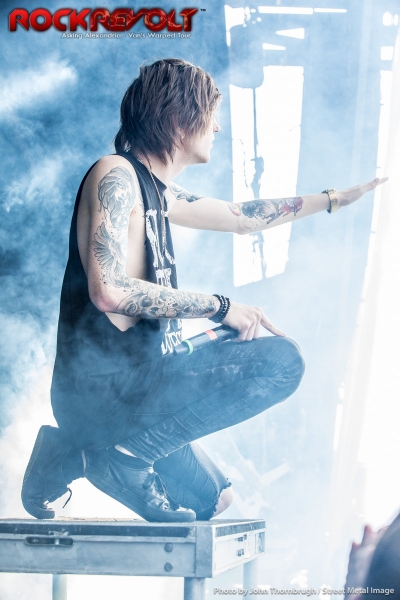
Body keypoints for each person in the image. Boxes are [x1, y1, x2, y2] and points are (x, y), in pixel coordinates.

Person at [21, 58, 386, 523]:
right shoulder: (115, 174)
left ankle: (67, 454)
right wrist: (219, 307)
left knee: (218, 502)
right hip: (102, 393)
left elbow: (242, 217)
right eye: (210, 115)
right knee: (282, 362)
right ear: (178, 117)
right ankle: (125, 457)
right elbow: (108, 291)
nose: (217, 127)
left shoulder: (159, 192)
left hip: (135, 391)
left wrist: (332, 199)